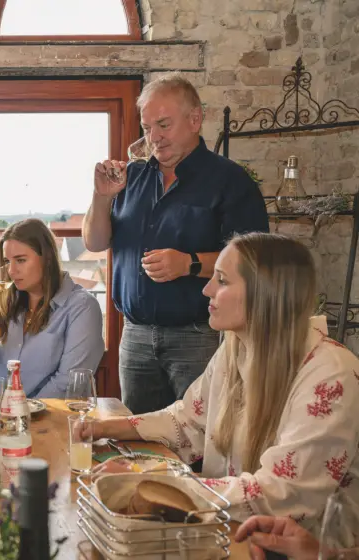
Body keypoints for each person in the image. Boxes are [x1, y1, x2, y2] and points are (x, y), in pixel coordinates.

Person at [88, 233, 359, 535]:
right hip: (235, 533)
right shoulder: (235, 349)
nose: (206, 290)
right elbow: (190, 421)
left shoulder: (332, 374)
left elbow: (282, 493)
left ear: (266, 293)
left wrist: (142, 482)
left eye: (222, 280)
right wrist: (105, 426)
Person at [84, 73, 269, 414]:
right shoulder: (131, 177)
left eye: (164, 125)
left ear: (195, 119)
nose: (154, 137)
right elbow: (95, 242)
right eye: (147, 127)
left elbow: (254, 260)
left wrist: (188, 263)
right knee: (139, 443)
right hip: (135, 336)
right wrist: (101, 198)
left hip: (198, 337)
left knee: (199, 444)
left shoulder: (230, 181)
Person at [0, 218, 104, 397]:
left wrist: (19, 412)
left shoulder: (82, 307)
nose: (11, 271)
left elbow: (67, 384)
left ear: (48, 258)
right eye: (7, 261)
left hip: (49, 418)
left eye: (20, 260)